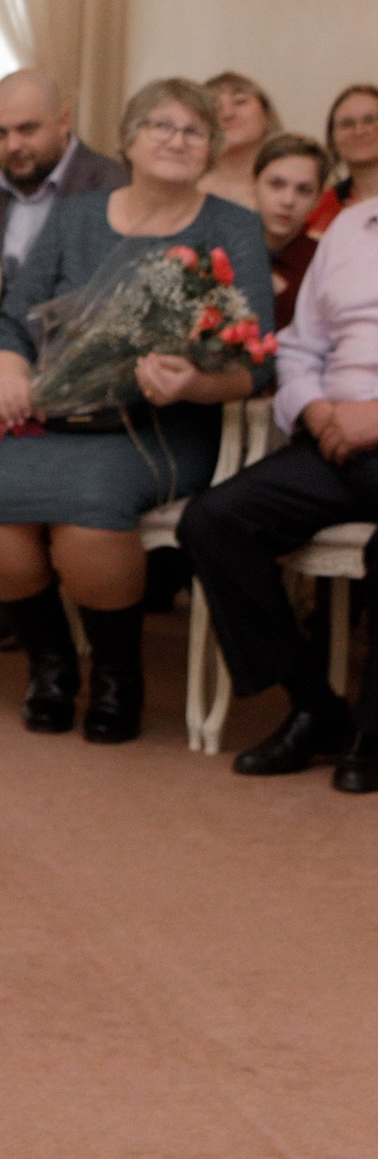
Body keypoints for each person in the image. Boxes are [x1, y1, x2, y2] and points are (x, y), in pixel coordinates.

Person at [0, 77, 276, 744]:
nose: (176, 140)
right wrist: (9, 374)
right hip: (53, 416)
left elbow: (259, 365)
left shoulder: (233, 226)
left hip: (161, 424)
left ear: (211, 148)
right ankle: (50, 667)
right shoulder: (74, 217)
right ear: (129, 140)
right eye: (161, 126)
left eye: (194, 131)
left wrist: (193, 383)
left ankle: (115, 675)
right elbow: (11, 324)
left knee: (89, 511)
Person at [181, 190, 378, 793]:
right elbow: (299, 347)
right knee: (215, 521)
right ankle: (315, 705)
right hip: (333, 433)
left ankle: (375, 730)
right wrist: (316, 411)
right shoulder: (351, 227)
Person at [0, 68, 128, 278]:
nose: (12, 145)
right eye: (0, 133)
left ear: (63, 122)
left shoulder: (113, 188)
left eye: (27, 130)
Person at [255, 131, 331, 328]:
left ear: (318, 199)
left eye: (303, 190)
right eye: (277, 185)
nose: (288, 201)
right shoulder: (222, 249)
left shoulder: (326, 262)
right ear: (253, 184)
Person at [301, 82, 378, 249]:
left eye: (370, 120)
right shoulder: (320, 207)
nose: (359, 131)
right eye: (347, 124)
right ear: (332, 139)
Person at [200, 70, 281, 207]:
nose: (227, 114)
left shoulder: (300, 184)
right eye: (215, 107)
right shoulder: (184, 190)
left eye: (240, 101)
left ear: (266, 113)